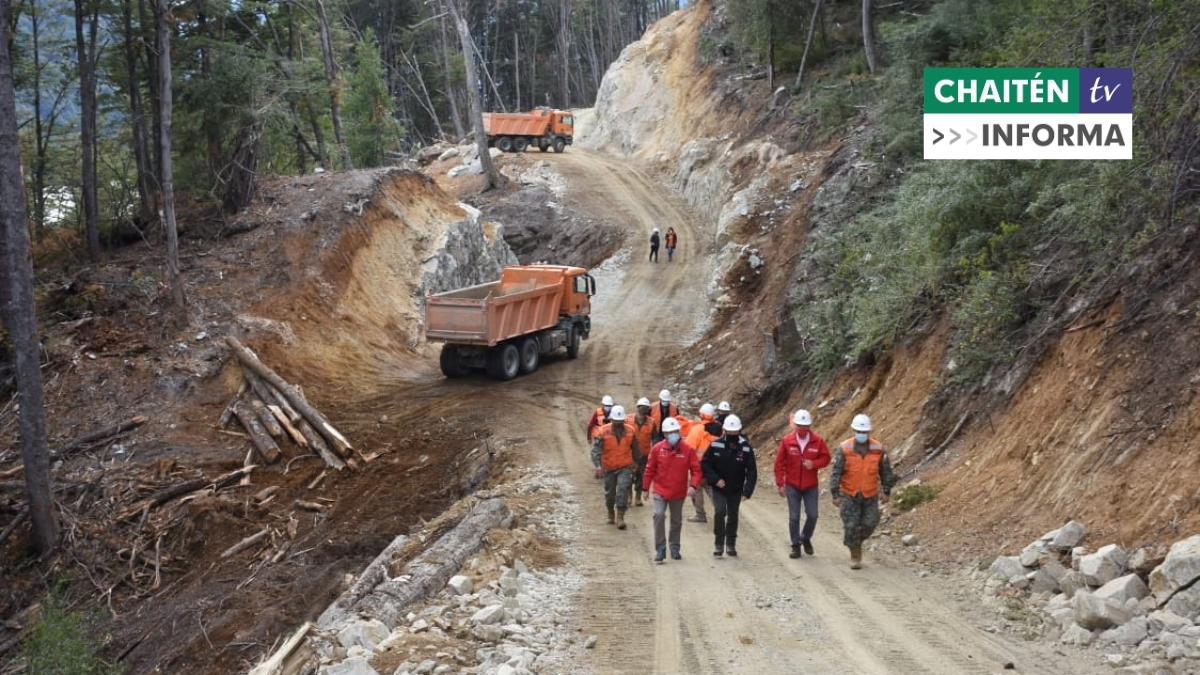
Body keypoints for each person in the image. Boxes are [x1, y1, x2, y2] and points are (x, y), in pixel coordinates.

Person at [830, 414, 896, 569]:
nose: (862, 434)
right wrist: (835, 493)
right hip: (849, 494)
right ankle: (855, 554)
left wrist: (886, 491)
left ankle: (855, 540)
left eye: (864, 431)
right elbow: (836, 472)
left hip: (870, 494)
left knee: (870, 523)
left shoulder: (878, 449)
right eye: (859, 431)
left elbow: (886, 472)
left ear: (869, 432)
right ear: (853, 430)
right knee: (851, 525)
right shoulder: (844, 448)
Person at [642, 417, 702, 562]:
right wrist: (645, 488)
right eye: (669, 432)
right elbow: (649, 469)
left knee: (676, 520)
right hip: (660, 490)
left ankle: (674, 547)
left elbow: (696, 470)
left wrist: (693, 485)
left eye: (675, 431)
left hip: (678, 491)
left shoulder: (688, 450)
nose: (673, 434)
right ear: (665, 434)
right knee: (659, 515)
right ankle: (660, 549)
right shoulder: (657, 449)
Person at [774, 409, 831, 558]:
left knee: (813, 515)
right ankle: (795, 545)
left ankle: (805, 537)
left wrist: (814, 463)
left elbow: (826, 458)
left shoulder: (818, 441)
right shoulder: (787, 441)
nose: (802, 429)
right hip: (792, 485)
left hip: (810, 485)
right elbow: (779, 463)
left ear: (810, 426)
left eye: (805, 426)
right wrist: (780, 483)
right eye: (800, 425)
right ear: (795, 425)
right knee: (794, 517)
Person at [700, 414, 756, 557]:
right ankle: (718, 543)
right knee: (719, 512)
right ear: (724, 430)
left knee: (733, 515)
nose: (732, 435)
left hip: (736, 489)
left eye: (734, 432)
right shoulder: (715, 445)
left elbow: (751, 471)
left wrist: (747, 491)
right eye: (729, 432)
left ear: (739, 431)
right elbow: (706, 464)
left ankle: (730, 544)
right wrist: (715, 479)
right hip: (719, 487)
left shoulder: (745, 448)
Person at [591, 405, 642, 530]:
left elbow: (635, 448)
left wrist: (636, 462)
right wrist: (598, 466)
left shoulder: (630, 431)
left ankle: (620, 517)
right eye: (616, 421)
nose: (618, 424)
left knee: (623, 490)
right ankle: (610, 513)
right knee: (610, 493)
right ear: (612, 420)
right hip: (608, 468)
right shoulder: (603, 431)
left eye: (620, 422)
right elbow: (595, 451)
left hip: (625, 467)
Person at [685, 403, 721, 523]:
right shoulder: (720, 428)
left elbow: (689, 449)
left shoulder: (697, 429)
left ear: (701, 414)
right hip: (715, 466)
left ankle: (700, 514)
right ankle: (720, 512)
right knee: (712, 487)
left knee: (696, 488)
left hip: (699, 465)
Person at [629, 397, 657, 507]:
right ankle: (629, 496)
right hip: (629, 454)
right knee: (628, 476)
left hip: (644, 454)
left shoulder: (651, 422)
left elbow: (655, 438)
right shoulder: (628, 419)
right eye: (642, 407)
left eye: (646, 408)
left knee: (641, 476)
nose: (644, 409)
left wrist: (654, 450)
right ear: (638, 407)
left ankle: (637, 497)